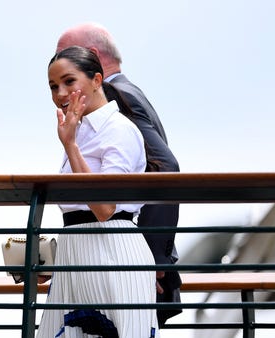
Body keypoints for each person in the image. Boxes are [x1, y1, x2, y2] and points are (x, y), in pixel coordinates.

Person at [56, 22, 182, 325]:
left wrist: (152, 261)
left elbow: (165, 169)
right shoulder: (129, 92)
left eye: (65, 56)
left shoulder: (114, 95)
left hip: (121, 257)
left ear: (92, 58)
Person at [36, 45, 159, 338]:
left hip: (113, 253)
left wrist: (70, 146)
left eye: (69, 81)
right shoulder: (78, 131)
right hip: (77, 255)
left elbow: (104, 208)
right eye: (53, 86)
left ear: (97, 80)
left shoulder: (119, 130)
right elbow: (78, 212)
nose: (60, 93)